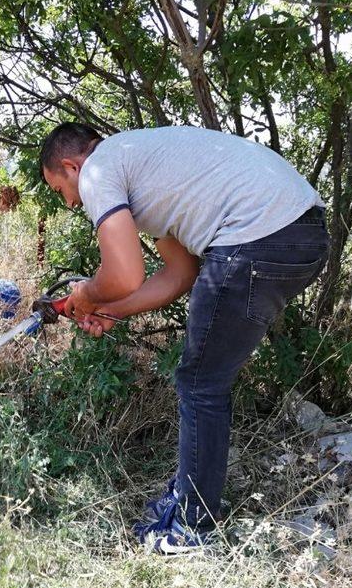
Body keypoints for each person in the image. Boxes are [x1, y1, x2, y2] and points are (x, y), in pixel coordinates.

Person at [39, 122, 329, 556]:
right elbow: (180, 273)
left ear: (71, 165)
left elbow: (122, 274)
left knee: (200, 382)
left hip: (260, 235)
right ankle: (191, 500)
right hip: (302, 236)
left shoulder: (99, 168)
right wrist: (109, 308)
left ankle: (193, 527)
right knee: (204, 379)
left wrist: (86, 293)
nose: (71, 202)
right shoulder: (145, 170)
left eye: (61, 189)